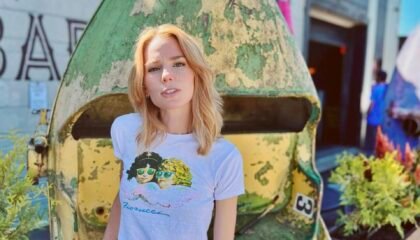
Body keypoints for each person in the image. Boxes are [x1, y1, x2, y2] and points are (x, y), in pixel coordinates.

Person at [103, 24, 244, 240]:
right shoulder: (126, 130)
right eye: (154, 68)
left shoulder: (224, 157)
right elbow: (122, 201)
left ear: (196, 75)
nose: (166, 75)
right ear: (144, 85)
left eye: (178, 64)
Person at [365, 69, 388, 154]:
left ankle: (369, 156)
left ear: (378, 77)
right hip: (383, 120)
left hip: (373, 119)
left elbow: (372, 104)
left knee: (371, 142)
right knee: (380, 141)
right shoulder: (387, 89)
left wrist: (367, 113)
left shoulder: (376, 89)